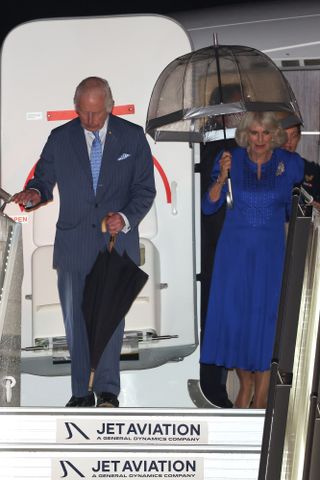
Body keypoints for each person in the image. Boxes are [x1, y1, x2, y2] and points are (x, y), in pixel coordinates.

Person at [12, 76, 156, 408]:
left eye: (97, 114)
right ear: (76, 107)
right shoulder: (60, 138)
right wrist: (33, 194)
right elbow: (42, 181)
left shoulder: (132, 138)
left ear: (110, 106)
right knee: (75, 322)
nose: (90, 122)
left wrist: (126, 216)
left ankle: (107, 391)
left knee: (109, 319)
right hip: (73, 245)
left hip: (114, 245)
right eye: (84, 113)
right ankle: (80, 393)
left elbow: (145, 190)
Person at [200, 111, 304, 408]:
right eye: (255, 133)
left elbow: (306, 195)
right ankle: (245, 384)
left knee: (266, 321)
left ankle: (261, 396)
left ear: (275, 136)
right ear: (246, 134)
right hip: (234, 254)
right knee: (236, 320)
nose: (260, 140)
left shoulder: (291, 164)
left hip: (271, 254)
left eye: (266, 134)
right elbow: (209, 206)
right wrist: (221, 176)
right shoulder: (229, 158)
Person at [280, 114, 320, 210]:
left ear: (299, 138)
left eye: (293, 136)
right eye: (284, 135)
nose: (288, 142)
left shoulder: (312, 170)